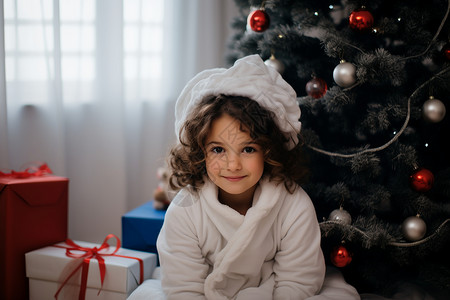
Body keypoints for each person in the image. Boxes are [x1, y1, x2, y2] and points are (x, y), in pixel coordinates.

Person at [127, 55, 360, 299]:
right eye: (218, 149)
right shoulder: (185, 210)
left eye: (248, 149)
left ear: (268, 151)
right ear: (200, 152)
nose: (233, 164)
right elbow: (184, 289)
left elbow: (298, 281)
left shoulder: (293, 204)